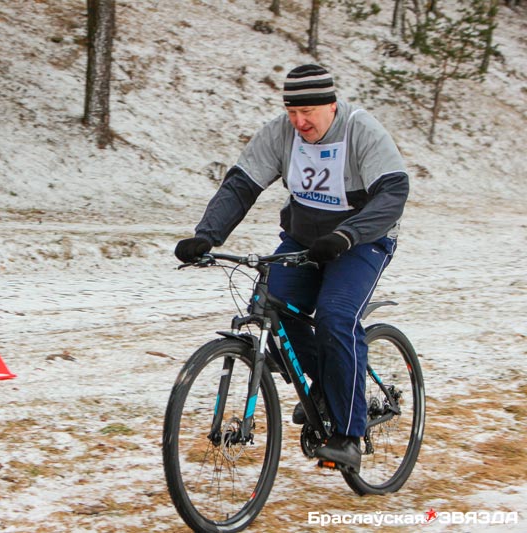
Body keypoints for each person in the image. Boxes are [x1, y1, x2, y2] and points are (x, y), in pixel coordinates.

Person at [174, 64, 409, 473]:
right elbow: (241, 184)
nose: (299, 122)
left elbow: (393, 193)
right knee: (274, 305)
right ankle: (325, 388)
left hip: (362, 241)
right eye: (292, 112)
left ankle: (349, 435)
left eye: (308, 112)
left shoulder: (361, 131)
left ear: (331, 106)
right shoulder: (281, 133)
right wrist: (207, 236)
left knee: (336, 315)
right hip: (304, 240)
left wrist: (348, 235)